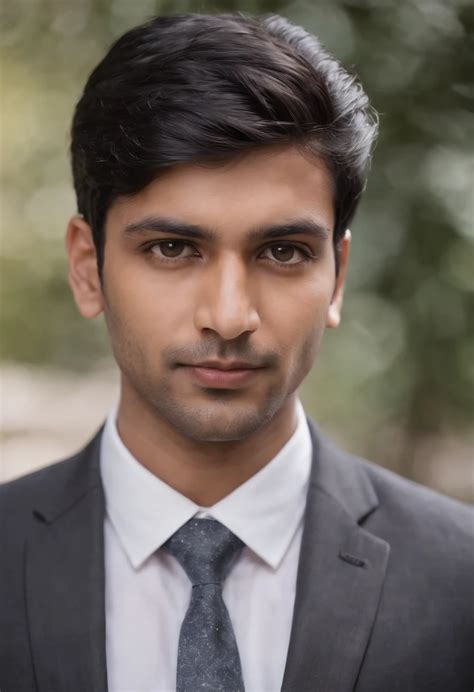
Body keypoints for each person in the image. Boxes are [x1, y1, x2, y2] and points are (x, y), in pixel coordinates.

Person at [0, 12, 472, 692]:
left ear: (336, 276)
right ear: (87, 266)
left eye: (282, 252)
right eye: (172, 249)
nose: (228, 316)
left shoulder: (462, 584)